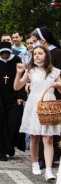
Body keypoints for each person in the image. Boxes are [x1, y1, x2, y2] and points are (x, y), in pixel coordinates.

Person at [14, 46, 61, 181]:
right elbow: (17, 87)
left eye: (40, 53)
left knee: (48, 138)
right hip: (34, 104)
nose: (37, 56)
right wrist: (18, 73)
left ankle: (48, 170)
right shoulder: (30, 70)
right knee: (34, 137)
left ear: (46, 55)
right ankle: (35, 163)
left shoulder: (55, 71)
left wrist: (58, 85)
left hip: (49, 105)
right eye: (35, 54)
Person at [31, 26, 61, 168]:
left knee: (49, 129)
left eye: (35, 40)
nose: (33, 43)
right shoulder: (42, 54)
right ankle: (42, 159)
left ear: (42, 40)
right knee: (40, 128)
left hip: (53, 94)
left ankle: (49, 158)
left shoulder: (57, 52)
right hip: (40, 95)